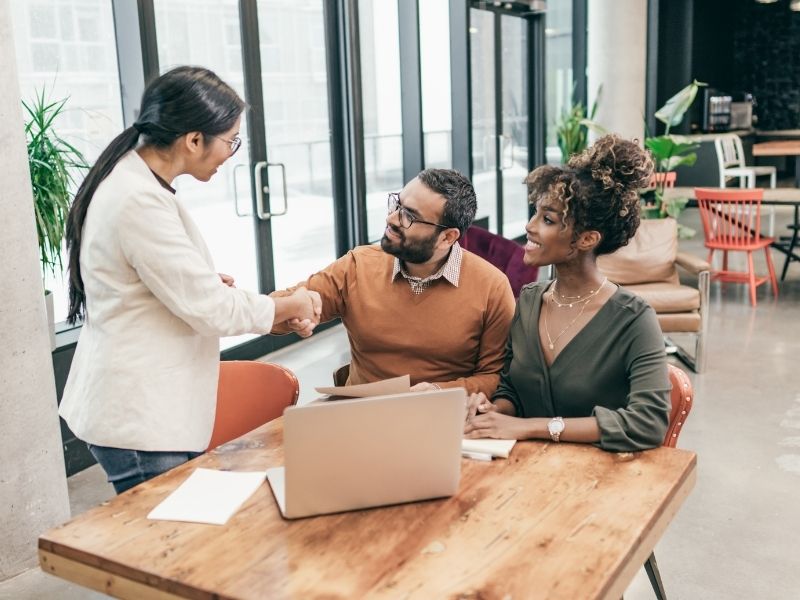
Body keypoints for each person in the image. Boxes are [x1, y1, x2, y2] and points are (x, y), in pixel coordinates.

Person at [59, 66, 321, 494]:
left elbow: (145, 279)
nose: (232, 152)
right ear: (194, 140)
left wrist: (196, 281)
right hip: (140, 418)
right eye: (231, 141)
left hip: (143, 405)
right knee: (167, 547)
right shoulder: (137, 199)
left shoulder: (132, 178)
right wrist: (288, 306)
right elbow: (210, 307)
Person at [464, 135, 670, 452]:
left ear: (587, 239)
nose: (530, 226)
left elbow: (648, 422)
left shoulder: (633, 319)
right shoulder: (530, 300)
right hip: (524, 470)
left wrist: (531, 427)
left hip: (598, 480)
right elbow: (512, 389)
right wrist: (495, 412)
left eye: (548, 219)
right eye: (535, 212)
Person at [273, 169, 516, 397]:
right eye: (397, 204)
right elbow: (279, 311)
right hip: (361, 415)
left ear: (447, 237)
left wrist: (439, 391)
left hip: (440, 417)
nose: (392, 218)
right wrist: (281, 310)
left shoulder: (491, 287)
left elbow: (495, 377)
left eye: (409, 216)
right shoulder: (358, 266)